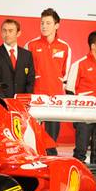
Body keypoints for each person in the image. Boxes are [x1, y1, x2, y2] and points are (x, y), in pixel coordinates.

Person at [25, 8, 72, 155]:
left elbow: (65, 74)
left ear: (57, 25)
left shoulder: (65, 47)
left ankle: (51, 160)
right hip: (35, 96)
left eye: (48, 23)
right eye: (42, 23)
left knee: (51, 139)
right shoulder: (31, 45)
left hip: (55, 98)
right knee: (33, 134)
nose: (44, 26)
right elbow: (25, 72)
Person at [65, 30, 96, 165]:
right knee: (80, 151)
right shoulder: (79, 64)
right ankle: (77, 177)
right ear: (93, 46)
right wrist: (75, 118)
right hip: (83, 114)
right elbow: (70, 91)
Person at [0, 18, 36, 98]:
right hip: (1, 101)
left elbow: (30, 80)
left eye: (10, 31)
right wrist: (4, 101)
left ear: (18, 33)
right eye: (4, 31)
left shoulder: (27, 55)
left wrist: (24, 99)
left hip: (21, 102)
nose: (7, 34)